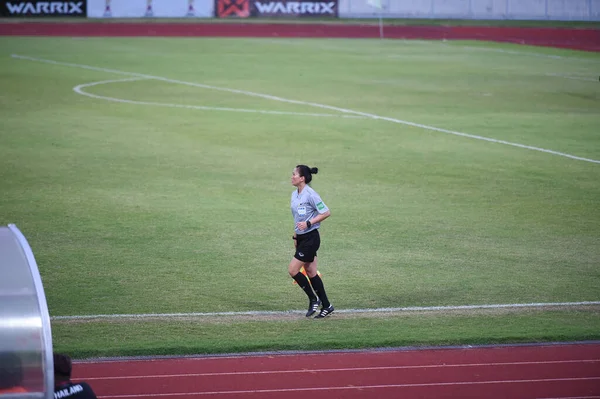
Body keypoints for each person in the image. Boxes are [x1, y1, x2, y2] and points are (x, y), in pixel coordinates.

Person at [289, 165, 334, 318]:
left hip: (311, 238)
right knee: (311, 272)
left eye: (294, 174)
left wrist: (309, 223)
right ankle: (327, 305)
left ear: (302, 178)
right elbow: (297, 218)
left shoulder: (311, 194)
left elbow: (326, 212)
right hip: (301, 238)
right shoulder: (294, 195)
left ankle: (313, 299)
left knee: (293, 270)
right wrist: (296, 235)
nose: (292, 176)